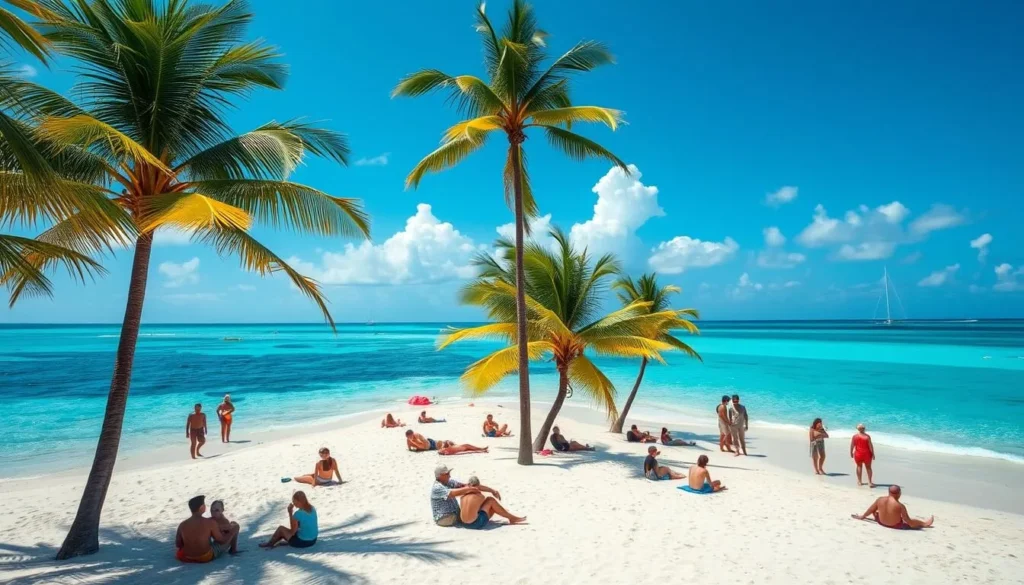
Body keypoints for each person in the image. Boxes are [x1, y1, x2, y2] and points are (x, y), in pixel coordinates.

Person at [430, 464, 525, 528]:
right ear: (440, 475)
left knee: (481, 505)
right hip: (445, 519)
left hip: (457, 516)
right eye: (447, 474)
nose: (449, 476)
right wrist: (470, 489)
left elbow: (467, 486)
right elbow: (452, 494)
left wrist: (492, 490)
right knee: (490, 503)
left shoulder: (448, 482)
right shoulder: (437, 487)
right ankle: (510, 517)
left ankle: (507, 515)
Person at [175, 495, 239, 563]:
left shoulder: (182, 525)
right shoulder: (210, 522)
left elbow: (178, 544)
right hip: (205, 557)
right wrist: (233, 531)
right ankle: (233, 550)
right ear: (202, 507)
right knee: (236, 526)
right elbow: (221, 541)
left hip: (186, 556)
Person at [851, 485, 933, 529]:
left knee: (874, 510)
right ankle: (925, 523)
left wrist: (862, 516)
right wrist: (918, 524)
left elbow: (870, 510)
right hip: (894, 525)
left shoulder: (880, 499)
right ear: (899, 493)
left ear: (889, 492)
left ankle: (924, 523)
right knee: (912, 521)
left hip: (881, 522)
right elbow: (909, 522)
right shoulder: (900, 506)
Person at [850, 423, 876, 487]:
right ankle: (869, 482)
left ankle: (859, 481)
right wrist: (873, 454)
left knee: (859, 466)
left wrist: (851, 452)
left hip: (858, 454)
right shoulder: (867, 436)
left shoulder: (855, 436)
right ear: (864, 429)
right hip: (867, 454)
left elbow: (852, 445)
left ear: (858, 429)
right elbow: (870, 446)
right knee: (868, 468)